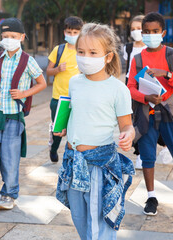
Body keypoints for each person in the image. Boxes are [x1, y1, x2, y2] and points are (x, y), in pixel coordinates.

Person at [55, 23, 135, 240]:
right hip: (73, 162)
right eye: (80, 52)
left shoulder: (118, 89)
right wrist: (62, 127)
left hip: (99, 166)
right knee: (80, 221)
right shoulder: (74, 82)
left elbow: (127, 125)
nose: (85, 57)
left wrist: (128, 134)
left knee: (99, 225)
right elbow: (74, 112)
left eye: (92, 52)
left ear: (108, 57)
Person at [127, 12, 173, 216]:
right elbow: (130, 87)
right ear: (142, 33)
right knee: (147, 156)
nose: (151, 35)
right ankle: (151, 197)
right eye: (147, 32)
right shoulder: (138, 58)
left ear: (163, 32)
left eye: (155, 31)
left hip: (168, 112)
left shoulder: (172, 55)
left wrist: (166, 74)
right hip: (146, 113)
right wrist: (146, 98)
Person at [0, 18, 47, 211]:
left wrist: (24, 94)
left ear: (22, 37)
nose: (9, 40)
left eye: (13, 36)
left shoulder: (27, 61)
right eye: (5, 36)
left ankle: (9, 194)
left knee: (10, 157)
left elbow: (42, 83)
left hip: (14, 116)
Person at [123, 15, 173, 170]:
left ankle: (166, 145)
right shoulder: (128, 48)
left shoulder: (152, 49)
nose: (136, 32)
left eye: (139, 29)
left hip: (150, 86)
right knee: (137, 121)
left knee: (154, 120)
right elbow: (128, 70)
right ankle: (139, 155)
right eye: (133, 29)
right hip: (133, 87)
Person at [46, 16, 84, 163]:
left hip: (78, 98)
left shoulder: (83, 50)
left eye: (75, 32)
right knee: (58, 130)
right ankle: (54, 149)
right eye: (69, 32)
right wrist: (57, 69)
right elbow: (48, 71)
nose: (72, 35)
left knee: (76, 130)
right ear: (64, 32)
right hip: (59, 98)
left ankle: (73, 156)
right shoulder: (58, 50)